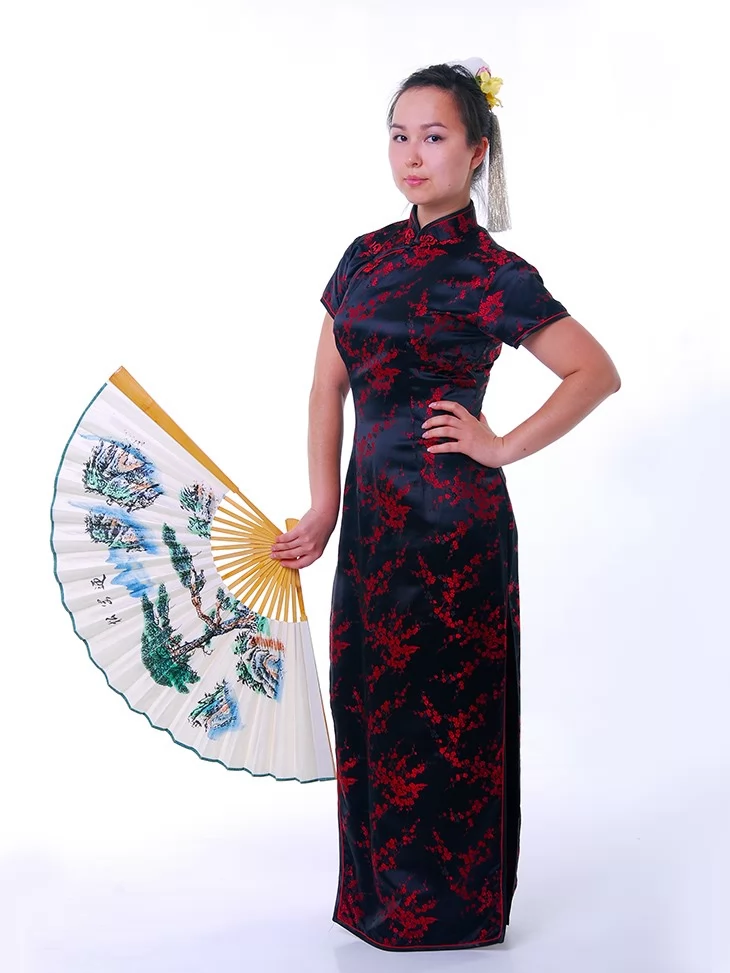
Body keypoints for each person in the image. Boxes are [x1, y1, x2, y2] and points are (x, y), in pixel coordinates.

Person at [269, 57, 621, 951]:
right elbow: (326, 388)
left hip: (455, 528)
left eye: (434, 137)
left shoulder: (494, 272)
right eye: (400, 137)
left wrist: (499, 445)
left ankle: (457, 914)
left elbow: (594, 372)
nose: (413, 155)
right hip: (371, 526)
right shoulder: (363, 257)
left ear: (477, 151)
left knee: (450, 715)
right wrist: (322, 507)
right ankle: (379, 905)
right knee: (370, 702)